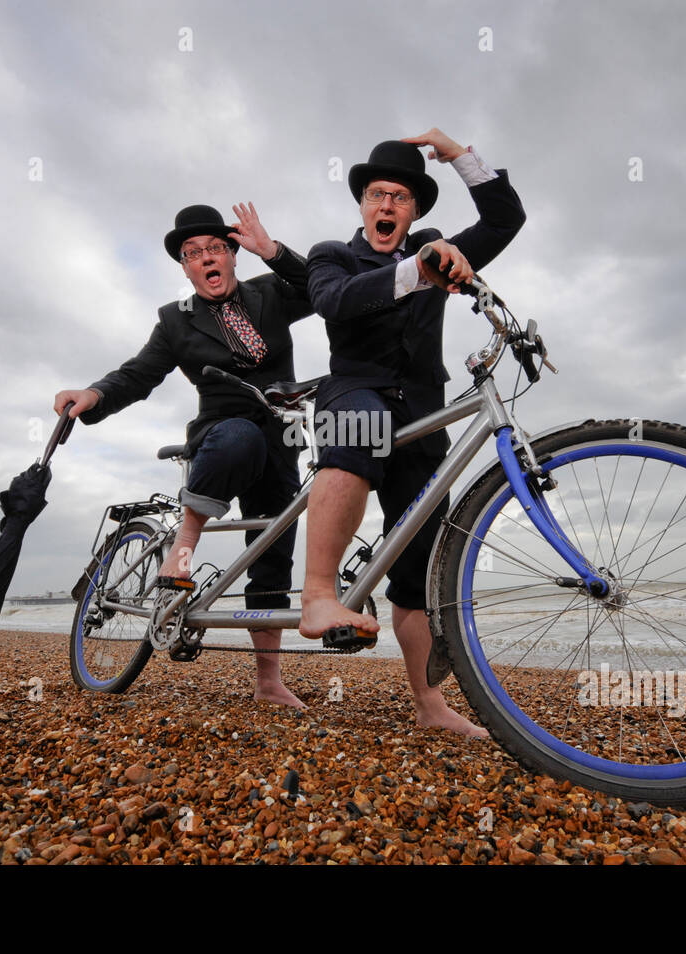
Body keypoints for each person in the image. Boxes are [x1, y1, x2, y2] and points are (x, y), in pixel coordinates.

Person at [299, 129, 526, 737]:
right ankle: (319, 594)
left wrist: (460, 157)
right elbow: (335, 303)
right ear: (363, 203)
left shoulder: (435, 246)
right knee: (356, 429)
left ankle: (430, 708)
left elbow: (505, 221)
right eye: (377, 194)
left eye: (400, 197)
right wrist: (416, 271)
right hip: (354, 388)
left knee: (421, 569)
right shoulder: (332, 254)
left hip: (423, 410)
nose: (387, 206)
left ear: (414, 209)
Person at [54, 203, 312, 709]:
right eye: (193, 254)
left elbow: (319, 288)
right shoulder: (176, 321)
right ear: (185, 268)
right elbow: (139, 373)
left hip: (282, 435)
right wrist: (95, 395)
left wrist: (275, 251)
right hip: (223, 434)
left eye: (215, 248)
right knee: (241, 437)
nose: (205, 259)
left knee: (272, 551)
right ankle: (185, 541)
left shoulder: (270, 294)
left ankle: (268, 681)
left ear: (233, 255)